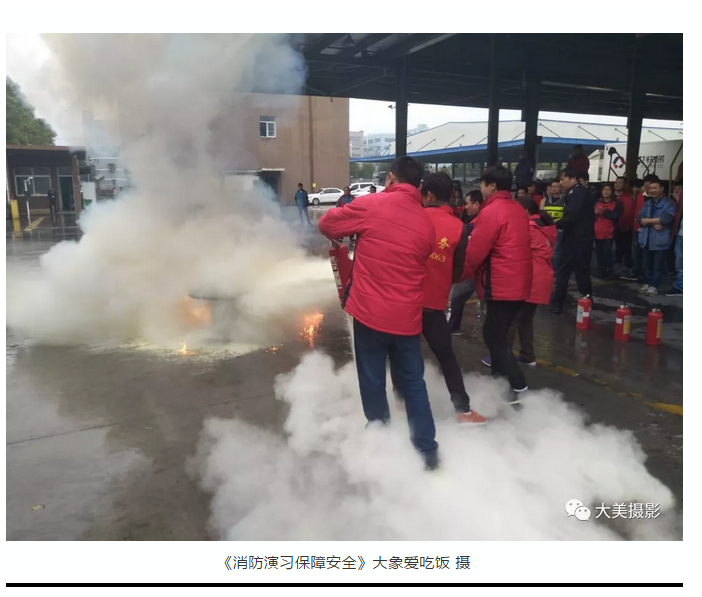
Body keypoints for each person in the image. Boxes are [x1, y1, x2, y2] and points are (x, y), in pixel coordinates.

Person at [318, 157, 439, 470]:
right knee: (413, 383)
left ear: (391, 179)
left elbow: (327, 223)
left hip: (370, 315)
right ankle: (426, 450)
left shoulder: (372, 205)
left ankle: (379, 438)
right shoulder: (426, 223)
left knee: (372, 378)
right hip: (407, 319)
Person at [393, 173, 486, 425]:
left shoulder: (411, 218)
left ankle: (400, 403)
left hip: (405, 299)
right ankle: (463, 411)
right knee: (446, 356)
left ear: (429, 195)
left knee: (401, 353)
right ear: (451, 196)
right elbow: (458, 272)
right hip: (433, 304)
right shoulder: (459, 227)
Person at [465, 165, 532, 396]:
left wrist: (457, 274)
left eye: (482, 185)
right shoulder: (517, 208)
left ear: (492, 185)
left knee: (493, 335)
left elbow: (475, 253)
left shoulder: (492, 212)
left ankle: (519, 386)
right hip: (518, 283)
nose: (481, 189)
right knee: (499, 334)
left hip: (501, 284)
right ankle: (498, 382)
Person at [502, 195, 557, 366]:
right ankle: (527, 356)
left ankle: (503, 358)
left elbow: (511, 249)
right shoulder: (543, 226)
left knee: (512, 318)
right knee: (525, 319)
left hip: (531, 277)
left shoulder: (528, 227)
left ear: (524, 211)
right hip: (542, 276)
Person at [549, 168, 594, 314]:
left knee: (565, 271)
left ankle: (557, 304)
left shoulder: (577, 193)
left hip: (575, 239)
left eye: (563, 179)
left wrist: (557, 224)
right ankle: (587, 299)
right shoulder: (577, 192)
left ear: (573, 178)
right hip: (581, 238)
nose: (561, 182)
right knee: (581, 271)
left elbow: (571, 215)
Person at [449, 191, 483, 331]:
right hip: (476, 270)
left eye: (468, 204)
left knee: (457, 297)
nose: (465, 207)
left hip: (471, 270)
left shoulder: (476, 224)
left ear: (476, 204)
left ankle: (452, 327)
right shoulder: (475, 221)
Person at [637, 176, 676, 297]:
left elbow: (667, 218)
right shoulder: (648, 203)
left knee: (658, 265)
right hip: (646, 238)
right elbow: (640, 218)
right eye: (650, 188)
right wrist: (654, 222)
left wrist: (648, 221)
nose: (652, 190)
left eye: (655, 188)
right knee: (647, 263)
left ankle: (654, 285)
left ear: (662, 188)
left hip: (660, 239)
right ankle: (647, 283)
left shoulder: (669, 203)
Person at [623, 175, 656, 282]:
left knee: (647, 254)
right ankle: (636, 271)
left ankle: (646, 275)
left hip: (650, 229)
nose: (647, 184)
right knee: (636, 251)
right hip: (637, 227)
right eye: (646, 182)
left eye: (649, 182)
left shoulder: (657, 198)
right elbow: (635, 211)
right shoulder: (641, 196)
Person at [593, 182, 621, 279]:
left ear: (612, 191)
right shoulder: (597, 202)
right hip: (597, 232)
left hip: (609, 233)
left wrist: (604, 212)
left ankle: (610, 271)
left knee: (607, 252)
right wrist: (595, 212)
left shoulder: (616, 203)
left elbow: (616, 216)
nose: (605, 192)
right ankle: (601, 270)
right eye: (604, 190)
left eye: (608, 190)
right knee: (599, 253)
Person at [613, 176, 635, 278]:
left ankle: (627, 269)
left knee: (625, 248)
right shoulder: (610, 195)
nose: (617, 184)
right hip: (611, 227)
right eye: (616, 182)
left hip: (624, 227)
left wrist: (626, 225)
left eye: (620, 183)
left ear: (625, 185)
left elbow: (628, 213)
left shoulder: (628, 198)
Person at [666, 178, 683, 297]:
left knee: (681, 263)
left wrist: (679, 201)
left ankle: (680, 287)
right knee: (680, 263)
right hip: (681, 233)